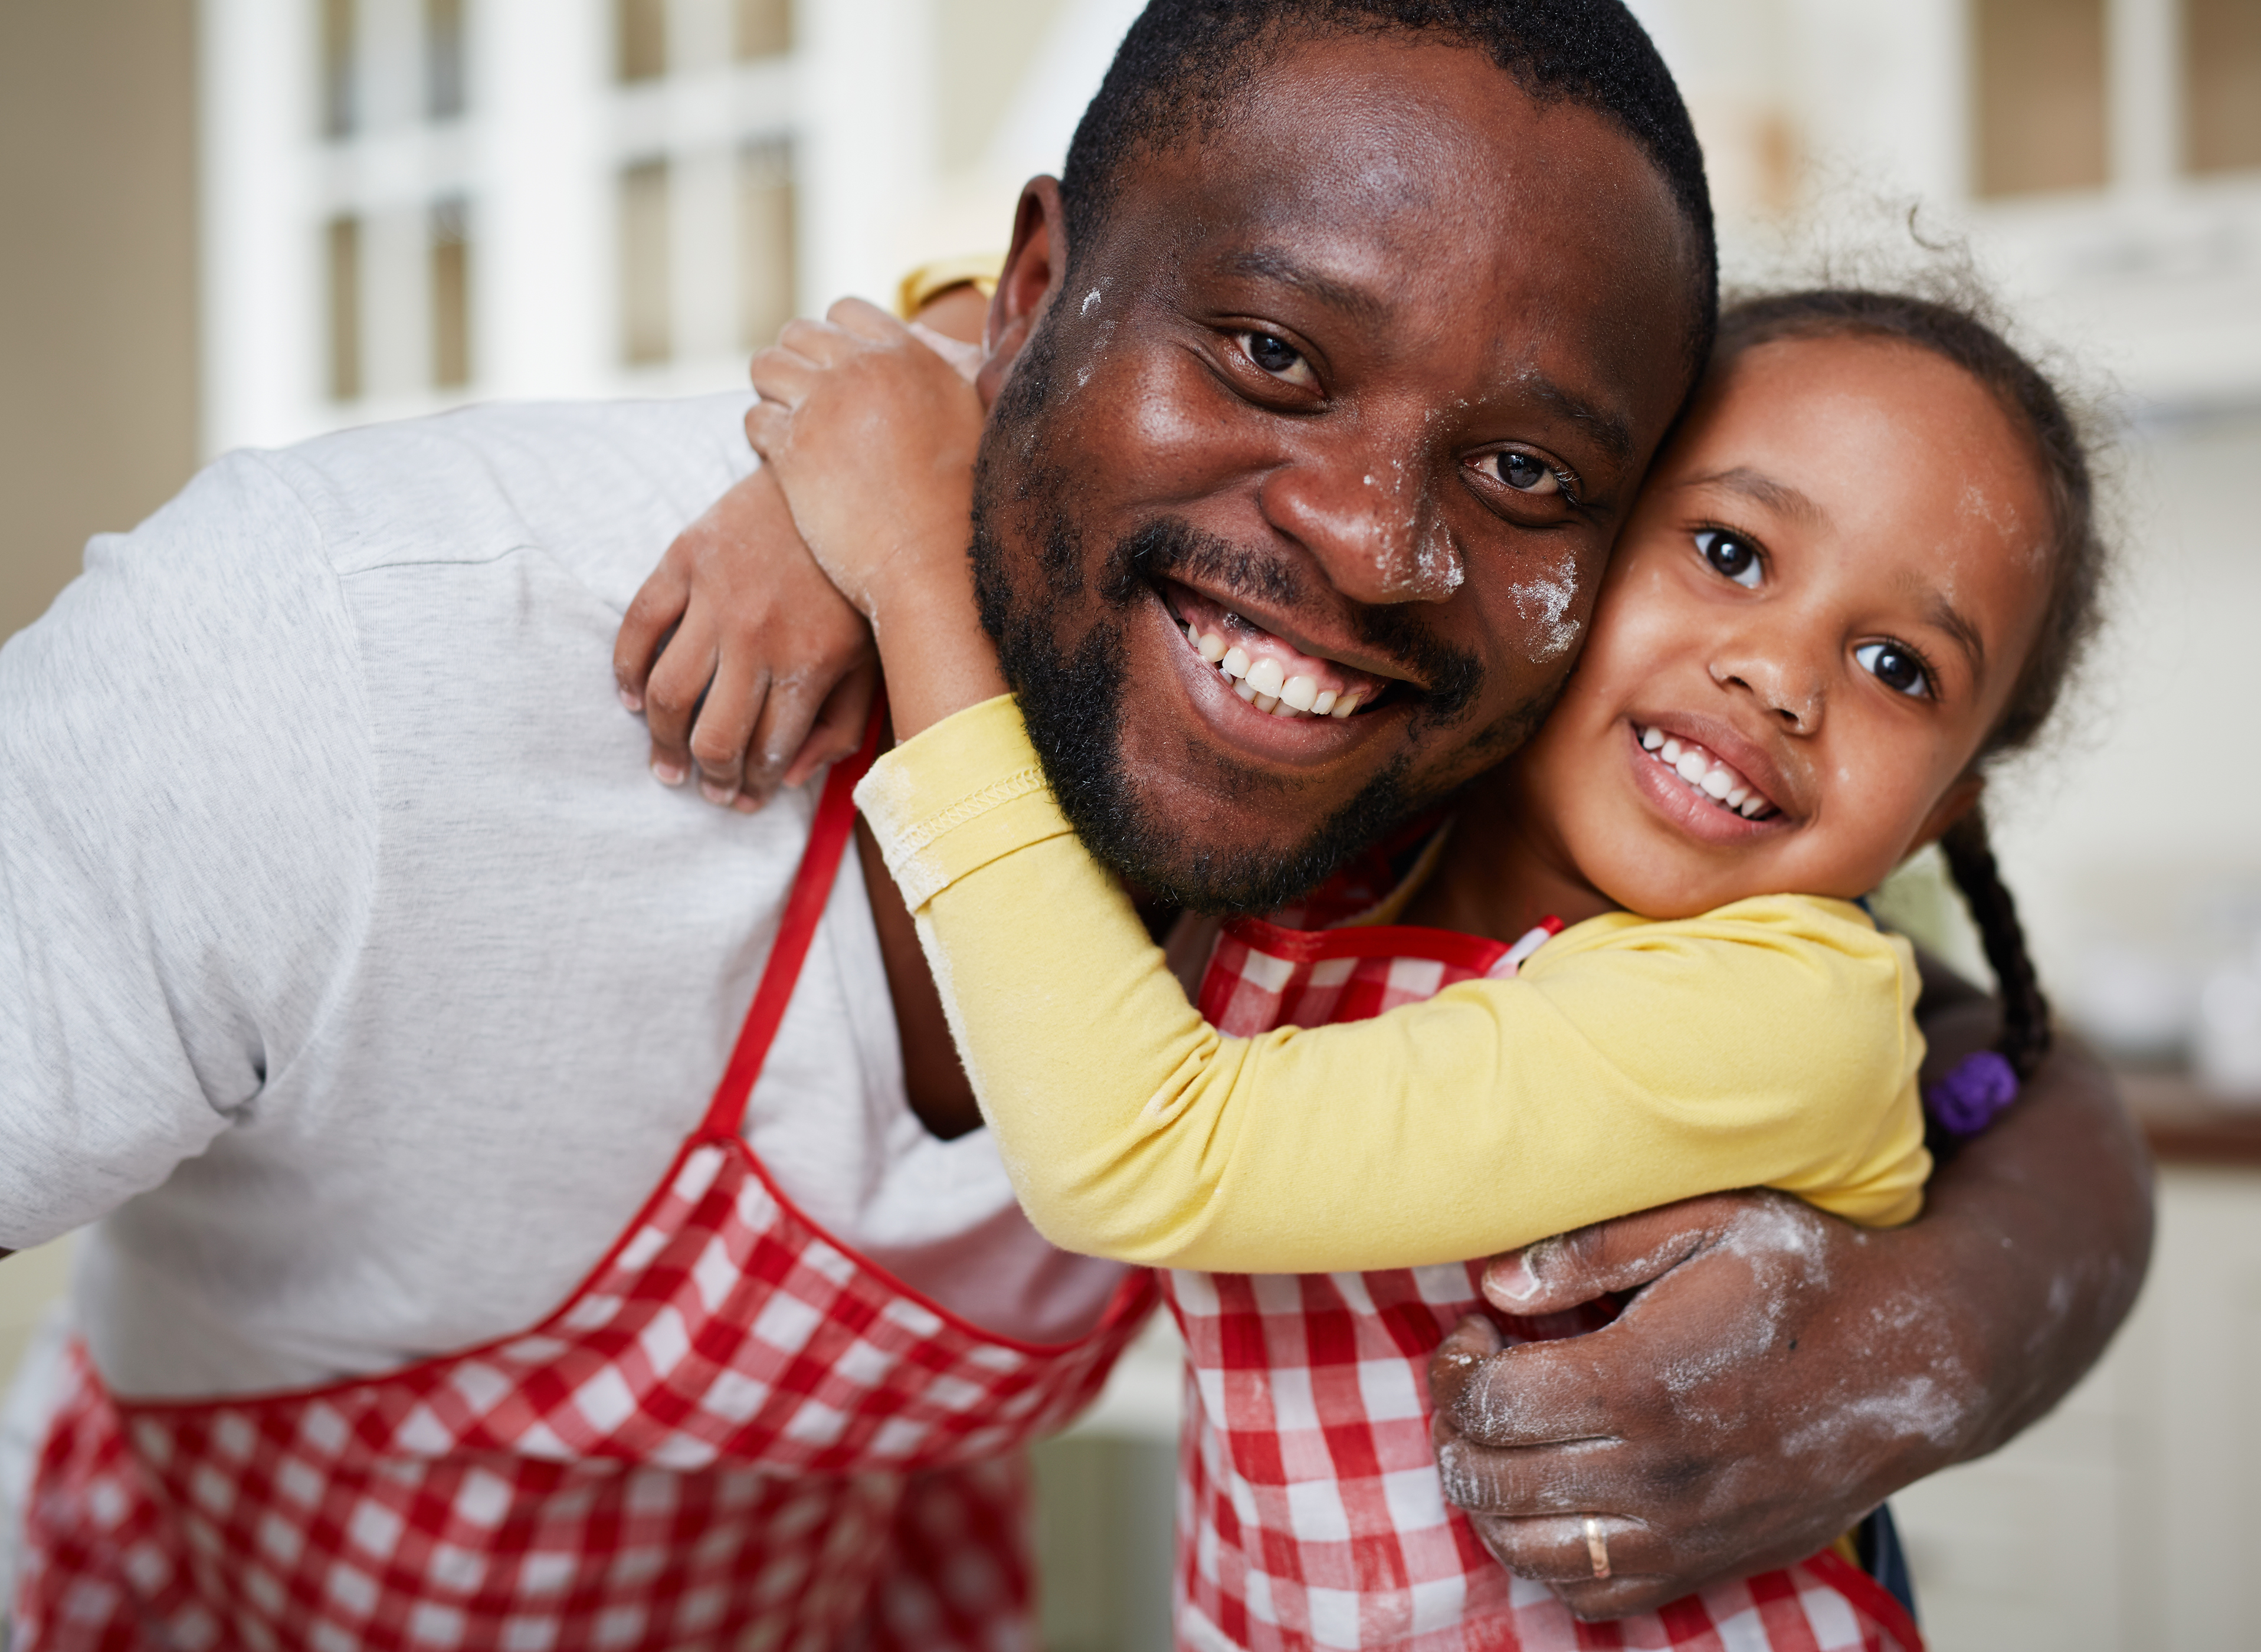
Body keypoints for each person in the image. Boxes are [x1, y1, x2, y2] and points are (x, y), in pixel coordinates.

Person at [0, 3, 2148, 1646]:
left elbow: (1977, 1060)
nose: (1375, 543)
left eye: (1525, 478)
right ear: (1034, 302)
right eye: (1270, 352)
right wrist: (882, 475)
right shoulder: (351, 655)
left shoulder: (1416, 776)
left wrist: (1928, 1338)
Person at [617, 266, 2106, 1648]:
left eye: (1901, 667)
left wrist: (904, 562)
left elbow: (1143, 1149)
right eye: (1730, 551)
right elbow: (1112, 278)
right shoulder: (1379, 818)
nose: (1780, 675)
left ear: (1944, 807)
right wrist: (860, 435)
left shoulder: (1787, 1013)